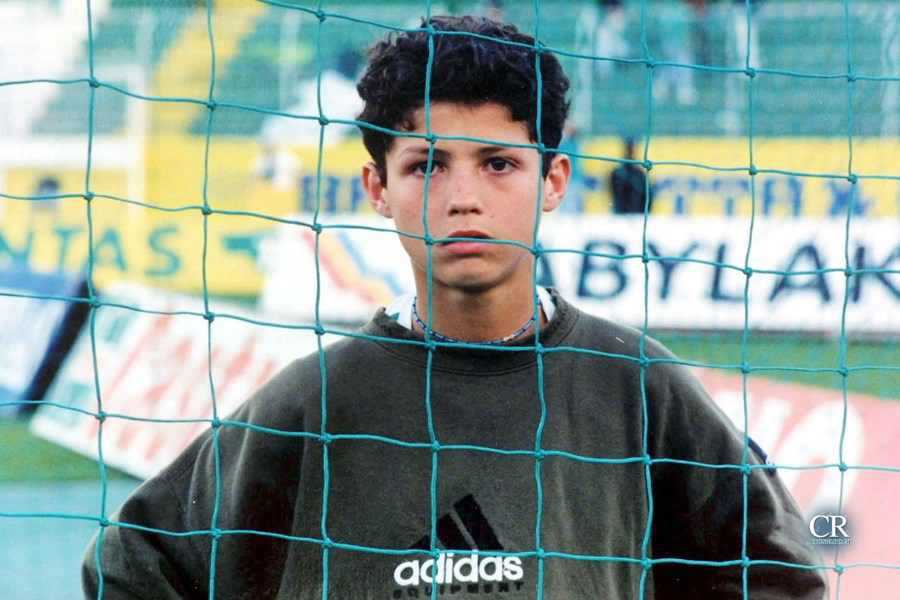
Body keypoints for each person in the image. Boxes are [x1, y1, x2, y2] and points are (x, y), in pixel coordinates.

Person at [82, 16, 827, 599]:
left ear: (554, 180)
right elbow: (134, 565)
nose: (464, 197)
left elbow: (779, 574)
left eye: (499, 163)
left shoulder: (637, 387)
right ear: (378, 188)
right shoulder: (313, 402)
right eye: (427, 165)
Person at [610, 137, 653, 214]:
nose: (630, 151)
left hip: (637, 214)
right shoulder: (617, 173)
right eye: (629, 148)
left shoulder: (640, 174)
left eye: (632, 148)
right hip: (622, 214)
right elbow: (614, 194)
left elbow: (648, 196)